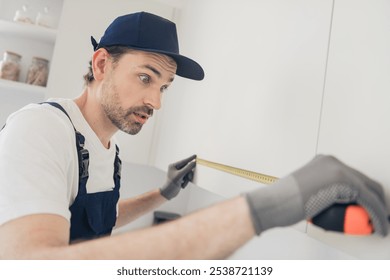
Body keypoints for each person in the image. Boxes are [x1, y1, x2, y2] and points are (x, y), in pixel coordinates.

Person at [0, 12, 388, 259]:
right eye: (145, 76)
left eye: (164, 86)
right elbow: (33, 264)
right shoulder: (42, 129)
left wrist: (162, 194)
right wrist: (265, 207)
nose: (156, 101)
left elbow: (95, 221)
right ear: (101, 63)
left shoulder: (108, 147)